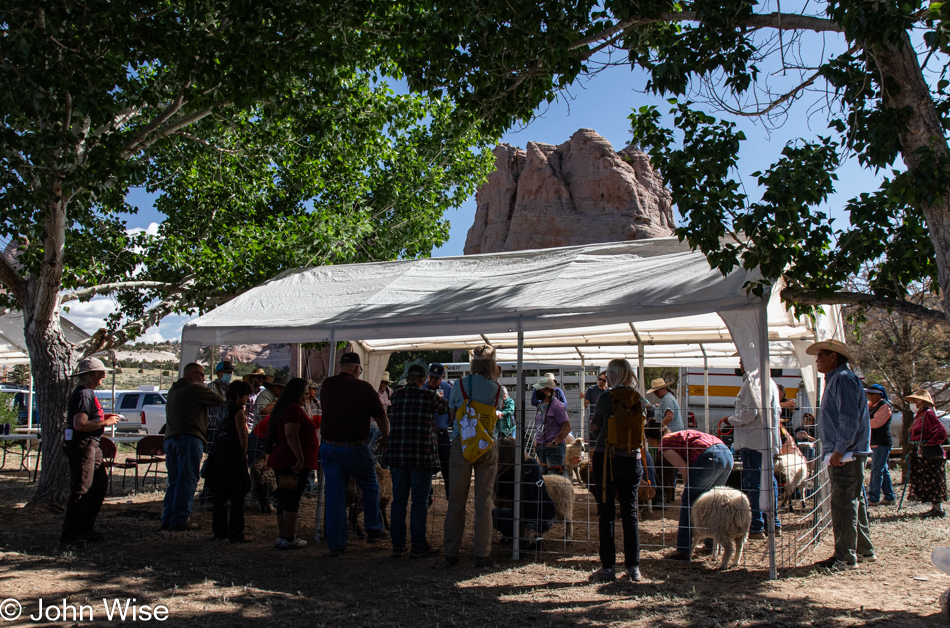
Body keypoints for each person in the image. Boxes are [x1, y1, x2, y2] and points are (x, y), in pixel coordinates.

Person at [807, 339, 875, 570]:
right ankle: (863, 550)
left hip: (847, 453)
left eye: (820, 356)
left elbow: (848, 419)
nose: (817, 360)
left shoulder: (843, 379)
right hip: (849, 452)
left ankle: (845, 557)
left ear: (833, 357)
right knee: (853, 500)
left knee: (844, 501)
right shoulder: (840, 379)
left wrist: (839, 450)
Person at [320, 352, 389, 556]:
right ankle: (374, 528)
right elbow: (381, 417)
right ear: (357, 368)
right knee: (369, 485)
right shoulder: (364, 387)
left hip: (329, 447)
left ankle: (336, 544)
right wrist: (386, 438)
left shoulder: (327, 385)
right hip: (355, 447)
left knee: (334, 495)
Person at [444, 345, 504, 568]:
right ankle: (482, 553)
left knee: (456, 501)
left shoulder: (459, 385)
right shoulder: (496, 389)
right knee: (484, 502)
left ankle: (451, 552)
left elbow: (452, 415)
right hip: (486, 444)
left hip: (462, 443)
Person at [384, 364, 448, 558]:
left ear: (407, 378)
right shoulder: (429, 397)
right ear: (422, 381)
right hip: (421, 456)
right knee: (419, 502)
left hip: (398, 455)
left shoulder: (396, 396)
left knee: (398, 502)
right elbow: (444, 408)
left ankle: (398, 544)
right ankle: (418, 545)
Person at [645, 422, 734, 560]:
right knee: (712, 502)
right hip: (726, 454)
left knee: (688, 503)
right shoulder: (679, 435)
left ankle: (684, 549)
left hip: (709, 458)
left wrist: (687, 488)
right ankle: (712, 543)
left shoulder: (664, 444)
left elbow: (684, 469)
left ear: (650, 439)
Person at [589, 358, 644, 582]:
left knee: (607, 511)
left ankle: (608, 567)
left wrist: (598, 429)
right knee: (630, 511)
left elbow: (595, 426)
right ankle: (633, 567)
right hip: (632, 459)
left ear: (613, 374)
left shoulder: (605, 398)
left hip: (607, 458)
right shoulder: (638, 398)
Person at [59, 357, 122, 550]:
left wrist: (103, 417)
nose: (104, 375)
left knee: (98, 485)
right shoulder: (84, 394)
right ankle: (70, 536)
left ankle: (85, 528)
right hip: (84, 445)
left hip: (91, 445)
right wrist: (105, 423)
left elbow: (85, 420)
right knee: (82, 488)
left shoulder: (86, 393)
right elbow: (81, 424)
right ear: (92, 375)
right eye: (101, 372)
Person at [161, 362, 225, 532]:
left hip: (171, 438)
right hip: (189, 437)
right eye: (201, 375)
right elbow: (219, 400)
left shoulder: (174, 389)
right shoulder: (194, 389)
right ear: (192, 374)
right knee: (188, 479)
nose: (203, 379)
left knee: (174, 481)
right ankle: (180, 519)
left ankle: (168, 518)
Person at [726, 359, 782, 539]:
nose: (741, 363)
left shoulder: (752, 383)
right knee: (768, 481)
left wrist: (731, 420)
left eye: (743, 360)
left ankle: (756, 525)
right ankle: (772, 522)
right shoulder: (769, 382)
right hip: (766, 440)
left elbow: (750, 413)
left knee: (754, 483)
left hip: (753, 440)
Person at [266, 378, 319, 549]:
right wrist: (300, 458)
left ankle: (284, 535)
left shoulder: (285, 409)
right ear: (297, 394)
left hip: (285, 459)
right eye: (304, 393)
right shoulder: (293, 410)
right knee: (291, 499)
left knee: (285, 498)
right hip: (291, 462)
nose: (306, 397)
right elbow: (291, 435)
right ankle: (289, 537)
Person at [205, 380, 253, 543]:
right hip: (233, 453)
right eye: (246, 394)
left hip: (220, 451)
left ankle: (220, 531)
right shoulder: (237, 410)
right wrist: (244, 451)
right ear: (239, 394)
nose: (247, 398)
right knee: (237, 494)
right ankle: (236, 532)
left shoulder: (222, 407)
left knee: (220, 494)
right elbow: (242, 435)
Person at [492, 436, 556, 546]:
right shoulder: (532, 463)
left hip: (527, 518)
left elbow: (499, 500)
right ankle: (532, 535)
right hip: (548, 516)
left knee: (492, 514)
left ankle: (522, 537)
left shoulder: (503, 474)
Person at [906, 388, 948, 518]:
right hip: (922, 452)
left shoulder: (928, 414)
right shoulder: (920, 415)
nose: (912, 403)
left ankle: (938, 509)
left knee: (933, 480)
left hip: (930, 453)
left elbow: (942, 432)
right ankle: (935, 508)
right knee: (927, 479)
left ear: (921, 402)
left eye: (915, 400)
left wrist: (928, 443)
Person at [422, 362, 453, 498]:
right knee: (425, 467)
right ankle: (427, 495)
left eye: (436, 378)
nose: (432, 380)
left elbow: (453, 408)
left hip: (442, 433)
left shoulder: (448, 389)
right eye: (431, 377)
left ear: (442, 377)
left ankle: (450, 496)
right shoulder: (421, 389)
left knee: (447, 466)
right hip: (425, 435)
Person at [532, 376, 571, 475]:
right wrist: (537, 440)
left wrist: (554, 442)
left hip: (553, 449)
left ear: (548, 390)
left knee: (554, 478)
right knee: (543, 477)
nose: (538, 391)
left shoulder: (557, 406)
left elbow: (567, 427)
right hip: (541, 447)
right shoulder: (541, 405)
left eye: (540, 389)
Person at [865, 384, 896, 506]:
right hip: (875, 442)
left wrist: (863, 421)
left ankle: (874, 497)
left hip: (882, 442)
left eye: (873, 394)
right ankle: (889, 496)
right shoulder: (871, 405)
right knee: (882, 469)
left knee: (877, 470)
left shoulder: (885, 407)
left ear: (880, 394)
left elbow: (877, 423)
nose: (870, 396)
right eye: (869, 394)